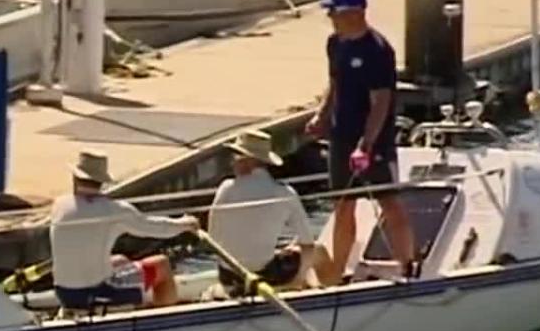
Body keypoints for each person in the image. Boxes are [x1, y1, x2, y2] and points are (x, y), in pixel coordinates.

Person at [304, 0, 417, 281]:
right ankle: (338, 270)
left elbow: (381, 101)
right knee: (343, 204)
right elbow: (335, 83)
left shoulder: (378, 51)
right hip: (341, 136)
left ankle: (407, 263)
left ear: (355, 14)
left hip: (372, 140)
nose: (330, 18)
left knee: (388, 200)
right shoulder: (335, 43)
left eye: (335, 13)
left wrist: (366, 144)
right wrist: (321, 116)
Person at [50, 151, 200, 311]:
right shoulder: (114, 210)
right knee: (162, 265)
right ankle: (163, 321)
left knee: (120, 260)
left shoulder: (59, 205)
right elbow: (155, 227)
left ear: (74, 178)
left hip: (64, 292)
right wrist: (186, 224)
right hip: (98, 291)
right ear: (101, 182)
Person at [208, 130, 336, 297]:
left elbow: (213, 237)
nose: (233, 163)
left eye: (236, 157)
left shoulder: (225, 189)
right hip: (264, 275)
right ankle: (332, 296)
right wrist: (300, 276)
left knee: (282, 252)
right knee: (320, 251)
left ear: (248, 160)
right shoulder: (284, 193)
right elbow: (308, 243)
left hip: (229, 276)